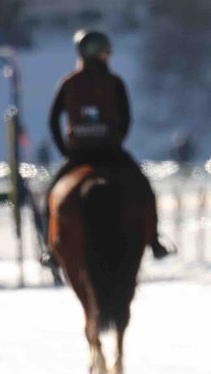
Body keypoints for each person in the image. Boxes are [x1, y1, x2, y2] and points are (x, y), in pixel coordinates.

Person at [42, 30, 169, 264]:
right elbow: (126, 118)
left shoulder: (68, 82)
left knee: (51, 195)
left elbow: (52, 121)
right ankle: (154, 240)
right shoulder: (115, 82)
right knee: (144, 188)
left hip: (78, 154)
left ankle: (50, 246)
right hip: (111, 152)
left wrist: (65, 151)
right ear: (104, 54)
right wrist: (115, 141)